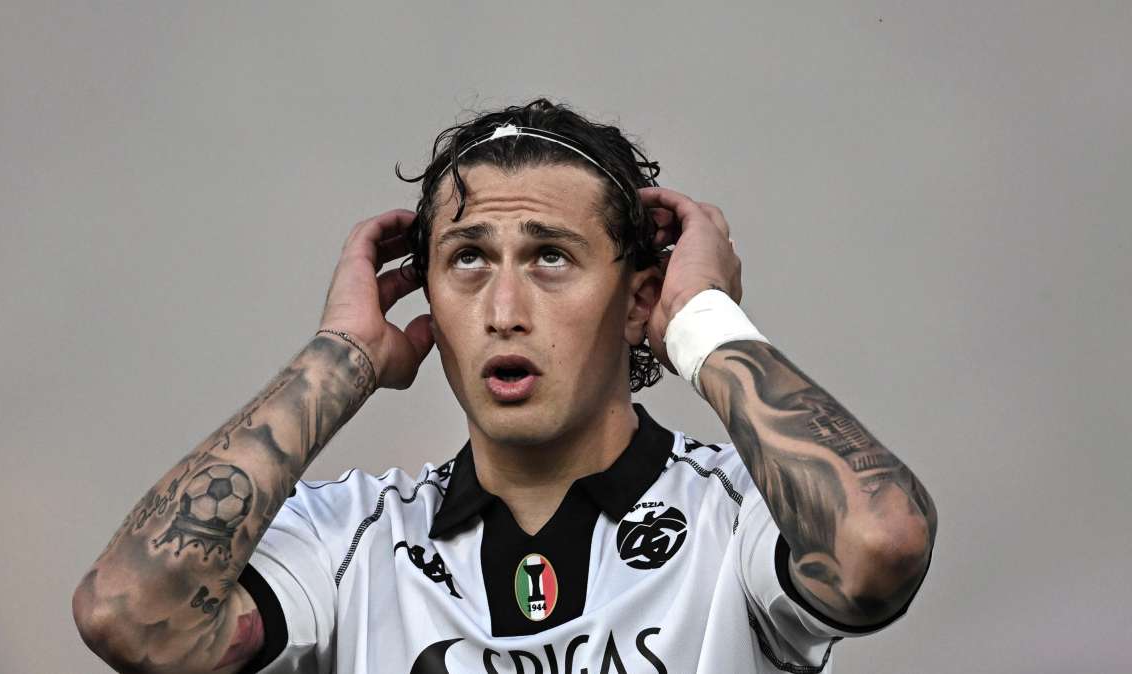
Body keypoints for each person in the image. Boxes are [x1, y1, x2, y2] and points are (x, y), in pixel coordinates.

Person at [72, 98, 936, 673]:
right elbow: (129, 615)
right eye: (468, 260)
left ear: (639, 300)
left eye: (551, 257)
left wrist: (703, 322)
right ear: (428, 296)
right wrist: (340, 357)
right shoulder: (351, 545)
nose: (504, 310)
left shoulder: (739, 516)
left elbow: (881, 544)